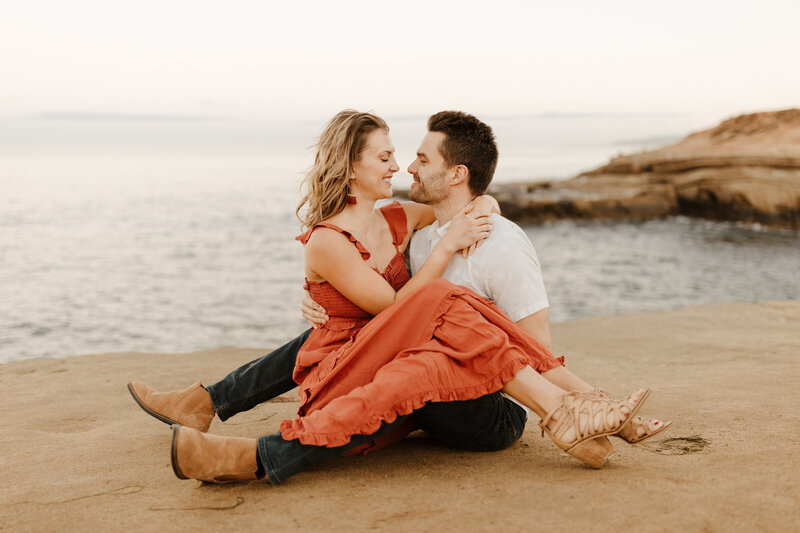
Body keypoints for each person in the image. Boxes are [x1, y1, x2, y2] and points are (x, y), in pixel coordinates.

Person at [129, 110, 663, 484]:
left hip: (461, 389)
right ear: (351, 166)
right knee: (433, 306)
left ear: (455, 174)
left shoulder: (404, 218)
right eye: (386, 157)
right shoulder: (370, 238)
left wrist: (488, 204)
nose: (400, 167)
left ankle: (240, 441)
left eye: (405, 157)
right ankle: (569, 411)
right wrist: (324, 292)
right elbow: (397, 307)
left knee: (431, 332)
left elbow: (465, 208)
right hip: (378, 354)